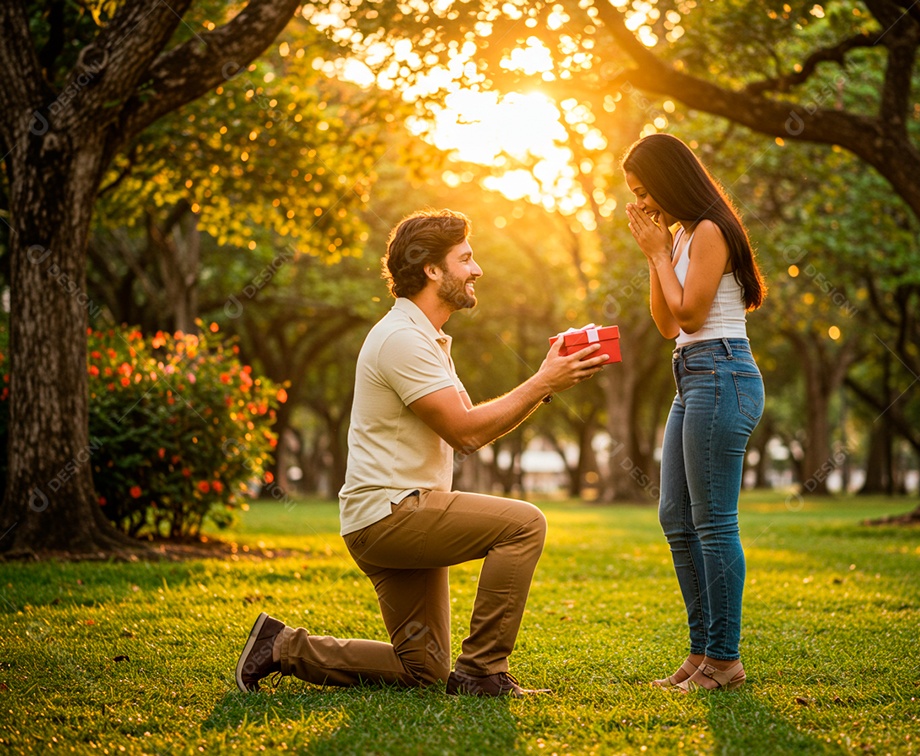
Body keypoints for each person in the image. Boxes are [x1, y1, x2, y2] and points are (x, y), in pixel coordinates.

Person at [235, 209, 608, 697]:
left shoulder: (425, 337)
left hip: (394, 515)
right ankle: (483, 673)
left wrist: (544, 379)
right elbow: (467, 434)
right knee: (525, 524)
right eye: (466, 258)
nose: (476, 270)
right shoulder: (402, 339)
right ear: (432, 269)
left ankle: (282, 646)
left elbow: (473, 423)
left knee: (424, 668)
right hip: (392, 515)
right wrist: (542, 382)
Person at [622, 133, 766, 692]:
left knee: (713, 523)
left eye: (644, 191)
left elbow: (690, 314)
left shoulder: (708, 230)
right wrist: (657, 254)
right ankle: (702, 653)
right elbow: (664, 324)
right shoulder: (681, 236)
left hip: (723, 372)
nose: (641, 204)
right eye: (634, 195)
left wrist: (659, 255)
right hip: (693, 376)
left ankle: (725, 661)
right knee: (675, 519)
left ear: (668, 180)